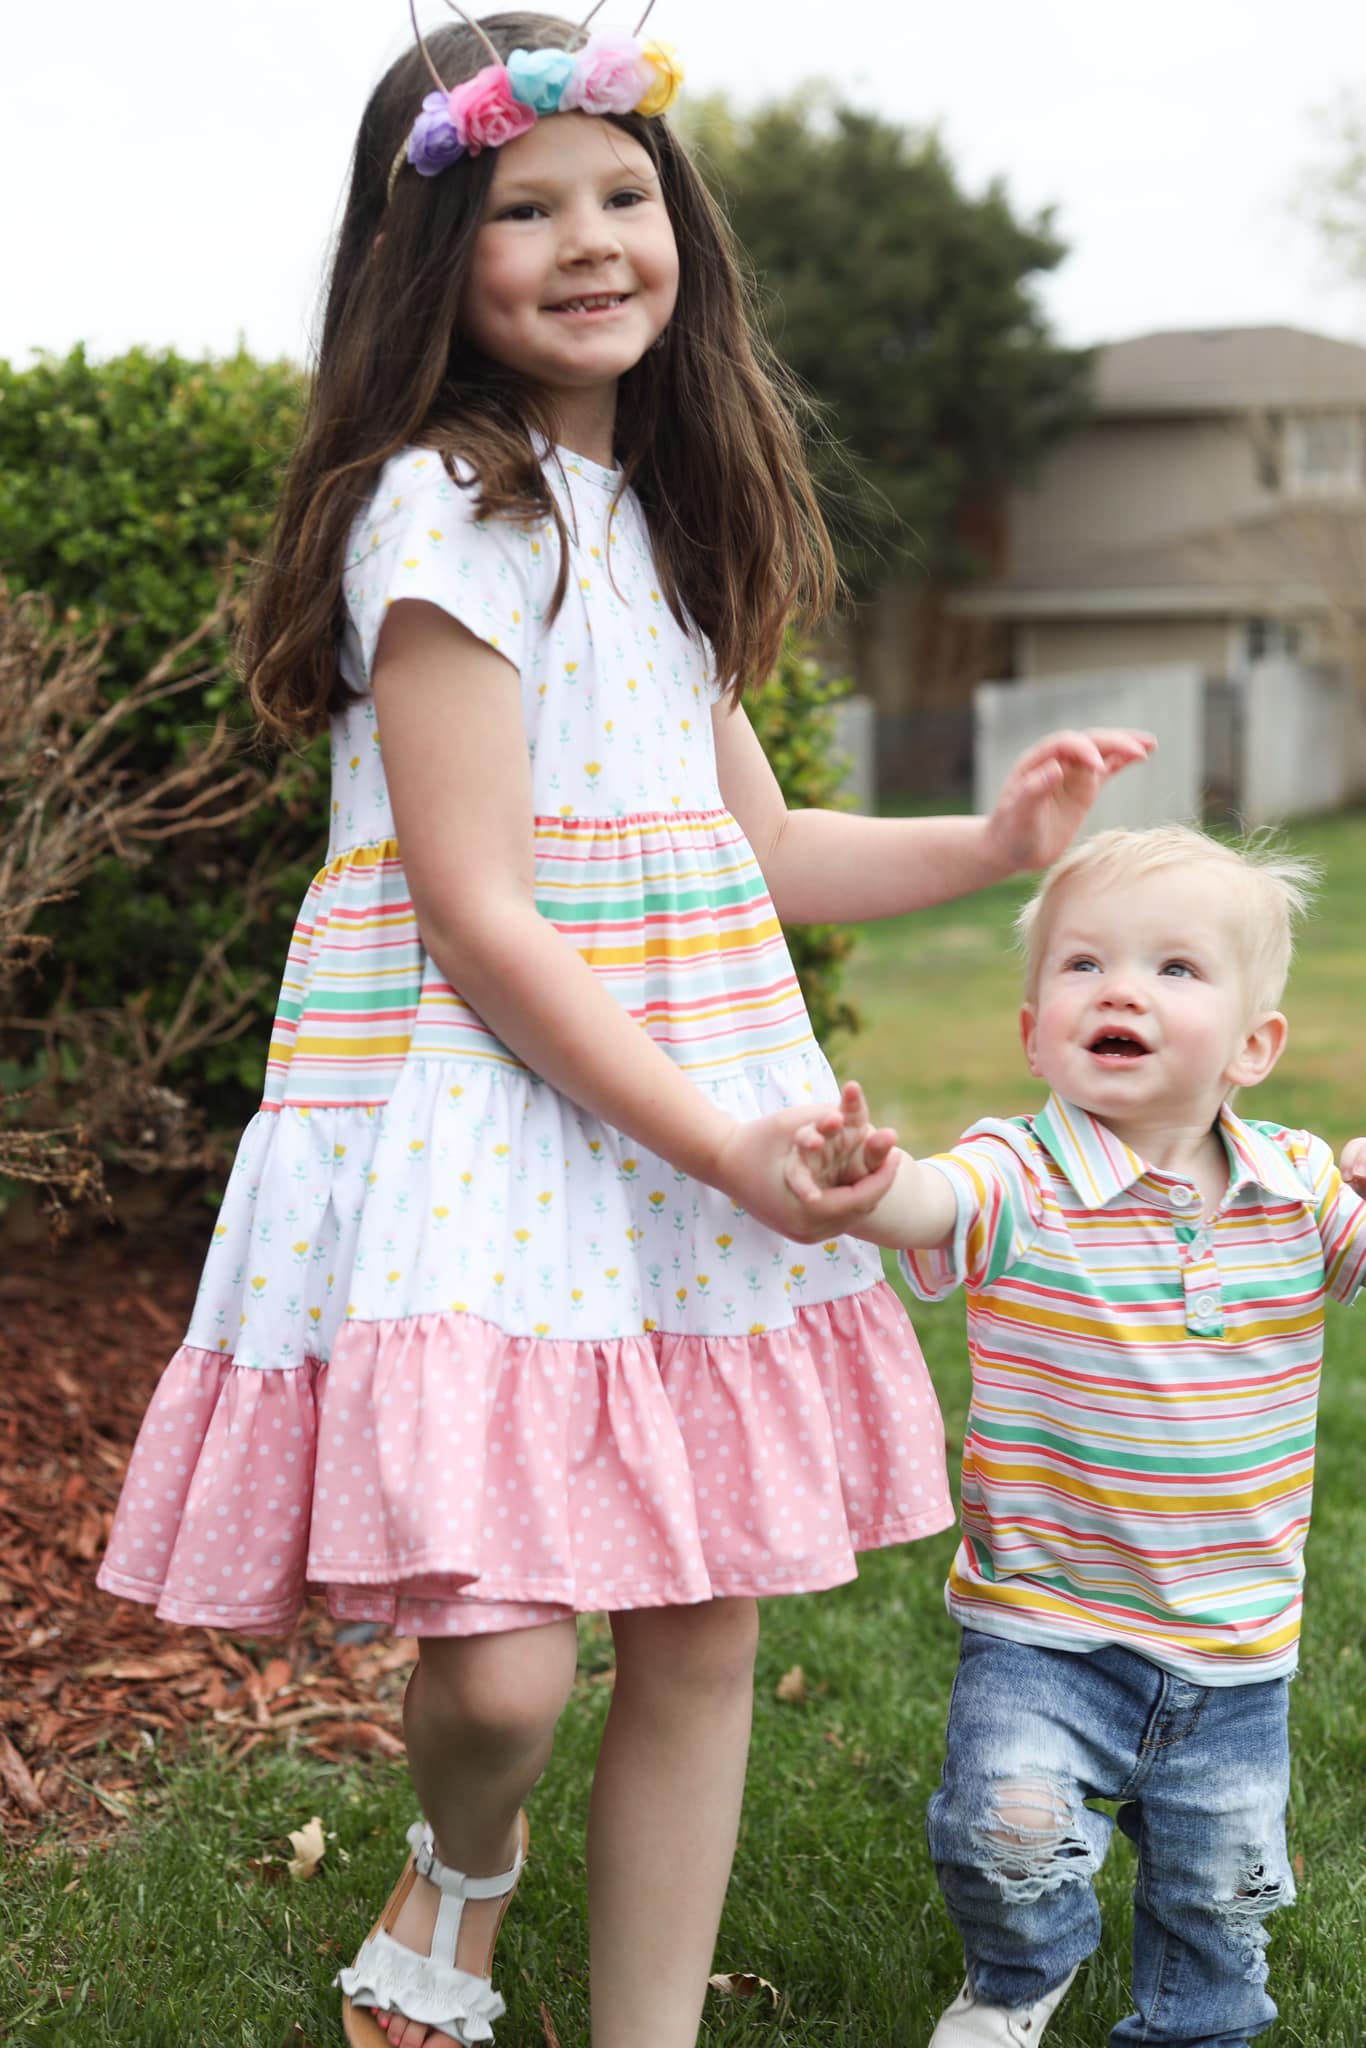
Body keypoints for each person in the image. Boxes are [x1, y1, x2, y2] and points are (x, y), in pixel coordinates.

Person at [95, 11, 1153, 2047]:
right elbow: (483, 921)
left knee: (697, 1615)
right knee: (498, 1665)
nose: (592, 238)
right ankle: (463, 1861)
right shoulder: (440, 511)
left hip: (676, 1108)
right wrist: (729, 1145)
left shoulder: (658, 523)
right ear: (429, 255)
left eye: (622, 193)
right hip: (490, 1118)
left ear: (680, 229)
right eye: (525, 204)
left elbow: (747, 847)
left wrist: (992, 840)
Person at [782, 823, 1366, 2048]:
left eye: (1174, 969)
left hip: (1236, 1632)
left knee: (1221, 1890)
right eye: (1084, 963)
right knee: (1007, 1831)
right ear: (1032, 1027)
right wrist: (863, 1182)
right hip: (1045, 1620)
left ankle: (1199, 2020)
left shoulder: (1298, 1186)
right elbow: (926, 1200)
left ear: (1254, 1047)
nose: (1120, 989)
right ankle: (1017, 1975)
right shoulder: (1019, 1170)